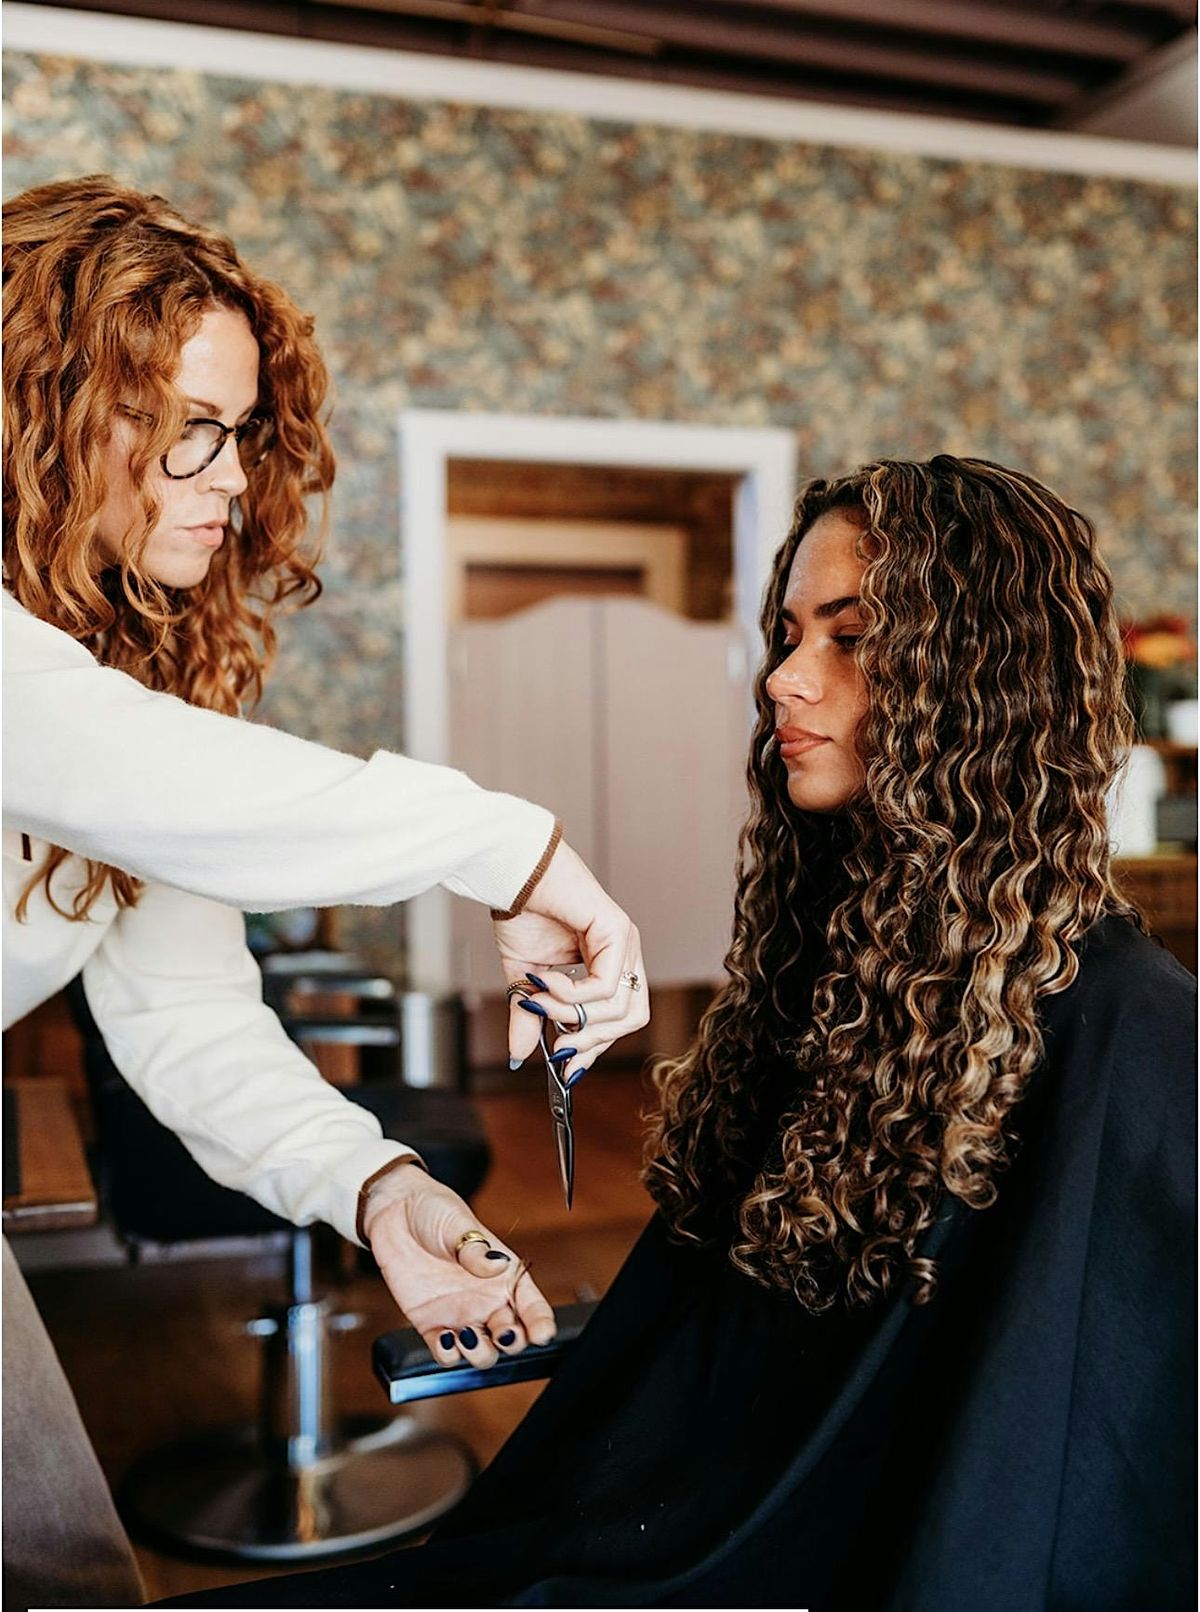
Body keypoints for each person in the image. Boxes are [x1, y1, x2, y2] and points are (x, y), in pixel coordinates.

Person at [175, 455, 1195, 1611]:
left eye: (852, 637)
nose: (784, 679)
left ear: (982, 681)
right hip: (669, 1529)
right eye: (789, 635)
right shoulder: (841, 982)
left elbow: (1096, 1481)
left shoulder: (1138, 1033)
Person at [1, 175, 650, 1610]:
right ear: (49, 410)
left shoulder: (108, 676)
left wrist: (375, 1185)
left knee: (62, 1567)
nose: (235, 477)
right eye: (193, 428)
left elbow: (187, 1014)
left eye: (244, 433)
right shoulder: (45, 695)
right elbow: (154, 777)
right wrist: (520, 852)